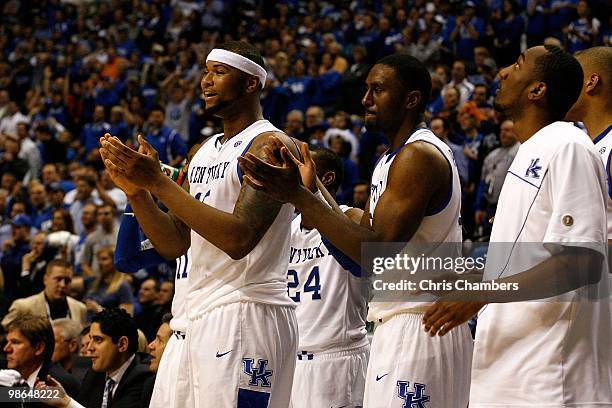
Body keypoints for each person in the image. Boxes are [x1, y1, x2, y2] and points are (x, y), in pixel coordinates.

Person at [239, 53, 470, 407]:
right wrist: (312, 191)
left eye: (377, 90)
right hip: (399, 322)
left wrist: (300, 197)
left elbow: (373, 255)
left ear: (411, 99)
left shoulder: (418, 156)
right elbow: (358, 241)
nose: (365, 100)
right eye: (366, 89)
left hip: (422, 322)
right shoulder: (393, 159)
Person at [100, 41, 299, 407]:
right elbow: (176, 243)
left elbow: (240, 239)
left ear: (252, 83)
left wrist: (159, 182)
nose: (206, 81)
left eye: (219, 72)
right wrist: (139, 193)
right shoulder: (203, 151)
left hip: (248, 311)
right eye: (206, 72)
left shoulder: (269, 145)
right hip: (197, 316)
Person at [423, 45, 611, 406]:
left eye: (518, 64)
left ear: (537, 91)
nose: (503, 71)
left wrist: (483, 292)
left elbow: (581, 263)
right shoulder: (528, 150)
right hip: (511, 367)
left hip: (551, 378)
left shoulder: (568, 146)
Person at [287, 145, 369, 408]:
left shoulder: (351, 218)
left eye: (298, 167)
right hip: (291, 361)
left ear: (327, 178)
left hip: (336, 358)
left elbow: (365, 260)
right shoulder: (287, 230)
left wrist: (312, 195)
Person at [40, 308, 154, 408]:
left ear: (122, 344)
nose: (89, 348)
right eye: (90, 339)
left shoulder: (143, 377)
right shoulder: (95, 374)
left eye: (98, 340)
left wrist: (67, 403)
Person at [566, 46, 612, 238]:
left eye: (567, 81)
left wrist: (579, 256)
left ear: (591, 82)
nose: (560, 90)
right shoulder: (584, 142)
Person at [4, 315, 80, 395]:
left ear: (38, 348)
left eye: (15, 342)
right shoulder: (9, 380)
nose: (6, 349)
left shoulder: (59, 384)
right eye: (7, 342)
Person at [2, 259, 87, 329]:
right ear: (45, 279)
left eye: (67, 281)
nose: (62, 285)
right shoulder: (23, 307)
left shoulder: (80, 308)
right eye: (58, 279)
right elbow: (4, 335)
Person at [84, 246, 134, 316]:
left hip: (105, 326)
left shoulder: (123, 287)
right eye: (99, 259)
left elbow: (126, 318)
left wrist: (98, 309)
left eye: (104, 259)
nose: (100, 263)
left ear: (115, 261)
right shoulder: (93, 281)